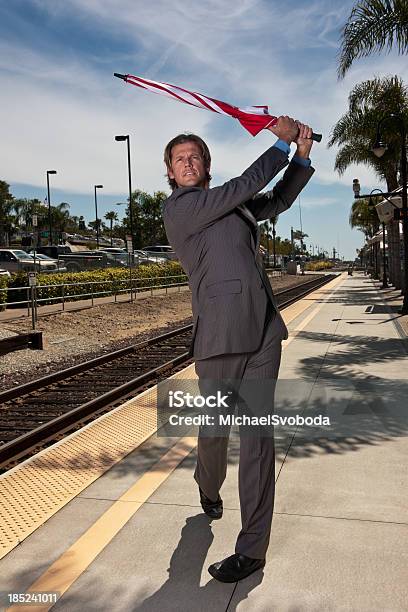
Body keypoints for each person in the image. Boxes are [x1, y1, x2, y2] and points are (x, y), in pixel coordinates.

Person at [162, 117, 315, 583]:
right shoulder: (182, 210)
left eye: (195, 157)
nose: (188, 163)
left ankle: (253, 548)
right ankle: (207, 486)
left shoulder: (234, 206)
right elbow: (245, 185)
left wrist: (301, 156)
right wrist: (279, 143)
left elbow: (277, 198)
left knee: (257, 440)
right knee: (214, 434)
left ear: (206, 164)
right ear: (170, 173)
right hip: (220, 338)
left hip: (264, 333)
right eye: (179, 159)